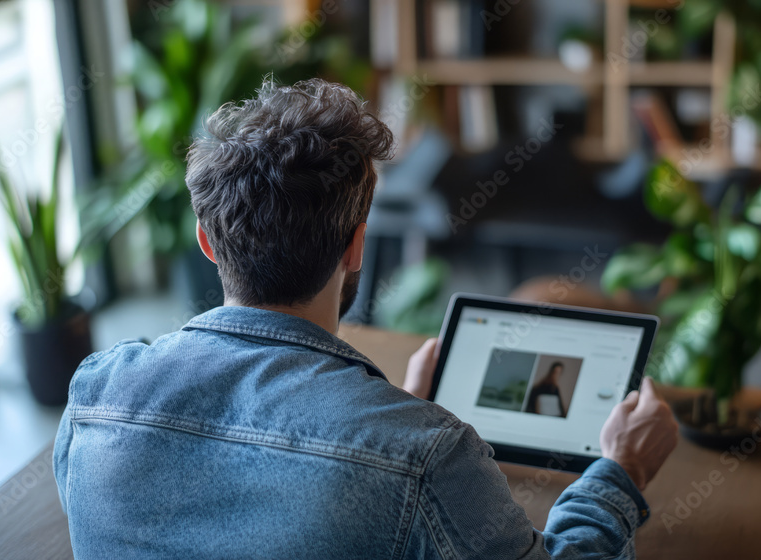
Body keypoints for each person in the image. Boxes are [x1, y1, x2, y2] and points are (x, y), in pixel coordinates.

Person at [53, 78, 678, 559]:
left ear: (208, 242)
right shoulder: (429, 455)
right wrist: (621, 471)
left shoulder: (92, 396)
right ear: (357, 245)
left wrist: (389, 419)